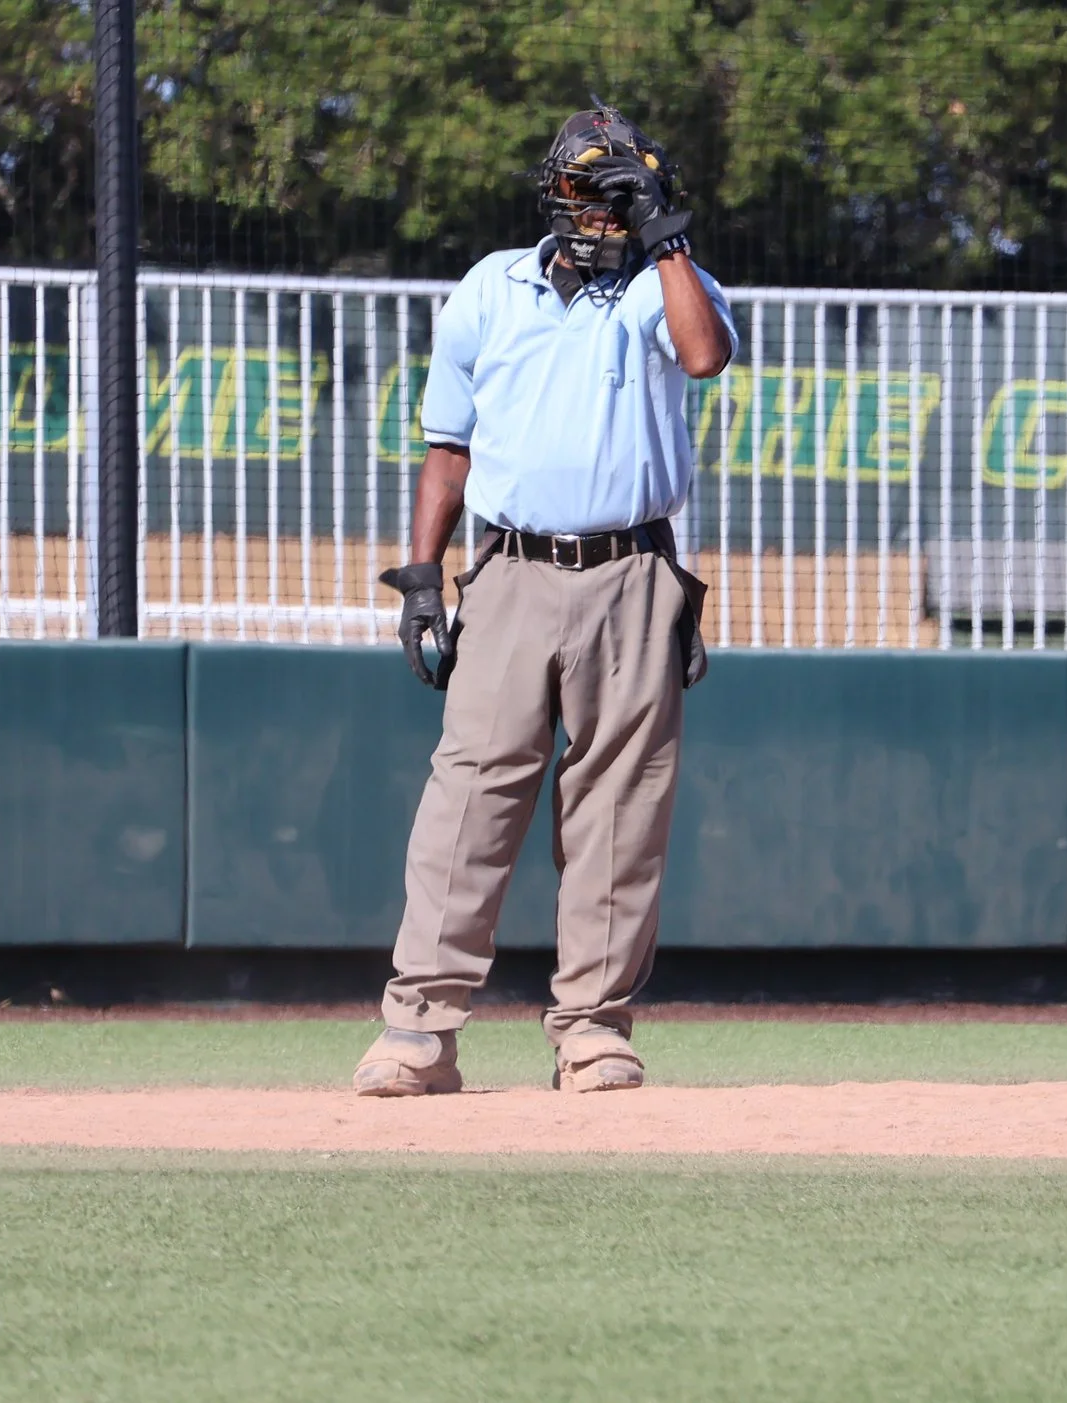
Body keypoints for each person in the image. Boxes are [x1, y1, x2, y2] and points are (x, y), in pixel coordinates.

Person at [352, 104, 737, 1097]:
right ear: (556, 189)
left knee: (617, 808)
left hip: (632, 572)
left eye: (626, 193)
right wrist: (421, 577)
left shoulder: (665, 284)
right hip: (510, 568)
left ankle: (593, 1029)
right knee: (470, 796)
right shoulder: (491, 287)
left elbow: (704, 355)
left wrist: (668, 237)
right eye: (593, 190)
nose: (606, 212)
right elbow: (450, 446)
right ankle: (420, 1030)